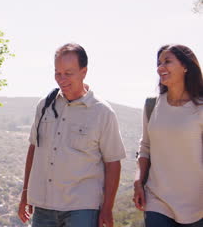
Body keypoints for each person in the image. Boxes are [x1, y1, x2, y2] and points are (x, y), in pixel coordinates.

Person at [18, 43, 126, 227]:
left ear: (84, 72)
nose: (61, 79)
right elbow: (34, 148)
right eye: (57, 73)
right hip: (43, 206)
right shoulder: (44, 105)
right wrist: (26, 192)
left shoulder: (102, 112)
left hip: (82, 208)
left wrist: (107, 209)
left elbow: (113, 163)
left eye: (68, 73)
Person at [133, 44, 203, 227]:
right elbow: (145, 147)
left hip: (197, 204)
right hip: (157, 200)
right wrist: (138, 181)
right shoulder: (151, 106)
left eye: (167, 62)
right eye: (159, 63)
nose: (160, 67)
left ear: (186, 67)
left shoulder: (200, 108)